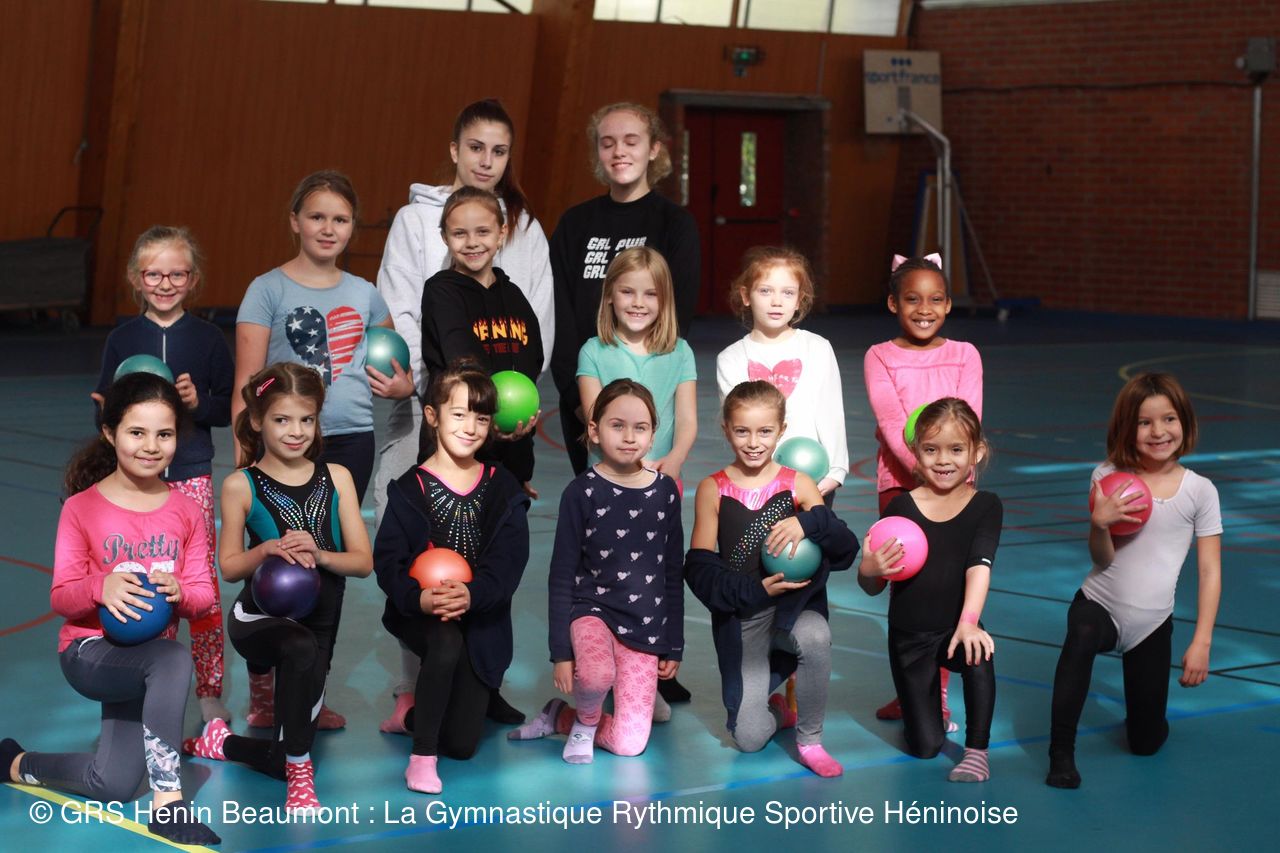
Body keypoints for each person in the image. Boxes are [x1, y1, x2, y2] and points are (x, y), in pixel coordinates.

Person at [1, 373, 220, 845]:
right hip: (89, 652)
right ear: (109, 432)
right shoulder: (82, 508)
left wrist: (180, 591)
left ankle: (15, 762)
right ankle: (168, 804)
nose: (151, 446)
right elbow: (61, 595)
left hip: (145, 660)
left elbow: (204, 597)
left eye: (164, 434)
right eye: (136, 432)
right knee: (173, 658)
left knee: (114, 784)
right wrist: (102, 585)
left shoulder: (186, 511)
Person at [235, 170, 410, 729]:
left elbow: (394, 367)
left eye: (340, 219)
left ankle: (310, 692)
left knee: (326, 570)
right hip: (278, 450)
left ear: (352, 226)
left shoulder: (365, 295)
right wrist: (246, 448)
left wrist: (402, 385)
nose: (328, 228)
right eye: (316, 216)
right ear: (295, 222)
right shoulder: (267, 290)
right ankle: (264, 689)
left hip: (349, 442)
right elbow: (249, 381)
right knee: (273, 560)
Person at [183, 363, 372, 811]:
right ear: (257, 420)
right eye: (282, 419)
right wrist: (266, 549)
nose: (296, 431)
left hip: (320, 624)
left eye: (307, 419)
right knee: (297, 748)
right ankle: (301, 776)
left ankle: (222, 744)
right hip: (258, 619)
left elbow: (363, 563)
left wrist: (319, 554)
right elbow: (230, 567)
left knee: (283, 752)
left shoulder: (337, 478)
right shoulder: (241, 485)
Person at [375, 98, 554, 529]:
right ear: (455, 150)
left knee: (493, 538)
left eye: (499, 151)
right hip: (428, 402)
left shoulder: (525, 227)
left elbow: (538, 324)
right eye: (476, 148)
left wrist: (512, 405)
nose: (487, 161)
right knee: (404, 529)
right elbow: (400, 310)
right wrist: (428, 392)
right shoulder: (415, 220)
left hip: (505, 416)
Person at [1045, 372, 1222, 789]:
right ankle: (1060, 753)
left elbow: (1210, 570)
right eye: (1145, 422)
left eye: (1168, 419)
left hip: (1152, 623)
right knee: (1081, 631)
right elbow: (1101, 558)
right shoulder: (1108, 477)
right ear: (1127, 427)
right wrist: (1099, 524)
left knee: (1145, 743)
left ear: (1185, 422)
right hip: (1099, 604)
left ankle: (1148, 719)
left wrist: (1202, 642)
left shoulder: (1199, 491)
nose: (1158, 432)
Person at [93, 225, 233, 723]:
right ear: (136, 277)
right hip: (136, 483)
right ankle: (151, 686)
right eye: (154, 274)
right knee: (147, 582)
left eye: (177, 274)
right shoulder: (122, 339)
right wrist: (107, 412)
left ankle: (210, 691)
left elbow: (226, 408)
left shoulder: (208, 338)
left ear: (193, 278)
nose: (165, 284)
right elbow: (104, 412)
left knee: (198, 586)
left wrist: (200, 403)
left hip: (191, 477)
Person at [684, 381, 857, 778]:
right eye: (742, 431)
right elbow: (699, 569)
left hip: (795, 609)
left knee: (816, 637)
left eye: (764, 431)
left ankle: (810, 741)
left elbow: (845, 550)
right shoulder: (713, 488)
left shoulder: (799, 484)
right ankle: (779, 710)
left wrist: (810, 521)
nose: (753, 442)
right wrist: (754, 590)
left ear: (781, 430)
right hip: (746, 615)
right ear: (726, 429)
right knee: (748, 738)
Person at [374, 360, 531, 794]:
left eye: (481, 418)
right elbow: (388, 563)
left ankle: (409, 715)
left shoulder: (501, 486)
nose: (470, 427)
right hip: (425, 614)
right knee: (443, 642)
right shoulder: (410, 488)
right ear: (433, 415)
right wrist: (419, 599)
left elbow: (509, 564)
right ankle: (422, 758)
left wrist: (473, 594)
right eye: (458, 414)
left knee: (461, 745)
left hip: (478, 617)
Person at [508, 380, 684, 762]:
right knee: (596, 674)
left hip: (644, 627)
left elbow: (672, 572)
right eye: (617, 425)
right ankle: (586, 723)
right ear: (594, 430)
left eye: (640, 427)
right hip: (594, 611)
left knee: (630, 744)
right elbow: (561, 576)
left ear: (653, 434)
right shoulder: (581, 492)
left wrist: (674, 642)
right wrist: (561, 653)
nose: (629, 437)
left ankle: (560, 716)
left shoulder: (665, 492)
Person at [550, 101, 700, 479]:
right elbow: (559, 318)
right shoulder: (574, 224)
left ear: (653, 149)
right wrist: (585, 407)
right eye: (608, 143)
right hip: (587, 401)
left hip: (652, 411)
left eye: (631, 141)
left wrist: (640, 418)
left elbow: (677, 318)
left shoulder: (675, 224)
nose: (619, 151)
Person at [863, 252, 983, 725]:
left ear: (949, 304)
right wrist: (923, 471)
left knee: (947, 589)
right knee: (906, 589)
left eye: (935, 299)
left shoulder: (965, 354)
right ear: (894, 303)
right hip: (900, 485)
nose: (924, 309)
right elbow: (892, 420)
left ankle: (942, 693)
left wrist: (945, 473)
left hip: (956, 487)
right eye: (912, 299)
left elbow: (969, 419)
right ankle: (912, 689)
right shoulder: (879, 355)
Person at [858, 397, 1002, 782]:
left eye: (956, 449)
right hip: (909, 638)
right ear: (916, 453)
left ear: (976, 453)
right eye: (931, 449)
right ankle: (928, 717)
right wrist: (869, 569)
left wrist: (969, 623)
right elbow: (871, 586)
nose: (943, 460)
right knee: (925, 747)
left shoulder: (986, 506)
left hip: (956, 629)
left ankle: (977, 751)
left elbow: (979, 566)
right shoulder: (900, 508)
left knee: (979, 652)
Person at [716, 246, 847, 502]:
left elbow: (831, 412)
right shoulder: (731, 358)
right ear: (746, 295)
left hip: (814, 478)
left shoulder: (817, 348)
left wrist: (836, 470)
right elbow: (738, 426)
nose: (777, 301)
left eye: (788, 293)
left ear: (799, 300)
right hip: (758, 481)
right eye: (765, 291)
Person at [577, 246, 696, 486]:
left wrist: (675, 459)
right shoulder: (592, 352)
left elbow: (687, 420)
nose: (638, 303)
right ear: (610, 294)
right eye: (627, 292)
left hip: (662, 478)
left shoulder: (681, 353)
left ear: (665, 299)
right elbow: (597, 419)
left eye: (651, 294)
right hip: (606, 481)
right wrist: (636, 468)